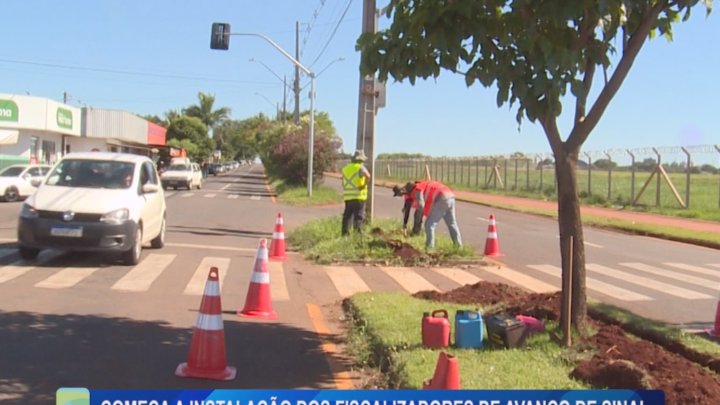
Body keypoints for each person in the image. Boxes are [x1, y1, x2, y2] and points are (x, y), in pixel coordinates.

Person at [395, 180, 462, 249]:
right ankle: (459, 247)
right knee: (452, 223)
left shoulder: (417, 190)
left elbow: (421, 207)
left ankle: (430, 248)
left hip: (442, 198)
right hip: (450, 197)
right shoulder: (422, 184)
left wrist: (418, 221)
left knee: (429, 225)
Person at [341, 150, 371, 236]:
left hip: (348, 196)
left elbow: (343, 182)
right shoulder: (360, 167)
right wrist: (363, 185)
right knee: (358, 216)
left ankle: (345, 235)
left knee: (347, 216)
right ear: (361, 160)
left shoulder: (345, 168)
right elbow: (368, 176)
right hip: (358, 196)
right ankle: (358, 235)